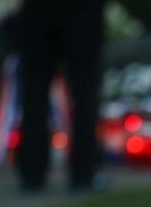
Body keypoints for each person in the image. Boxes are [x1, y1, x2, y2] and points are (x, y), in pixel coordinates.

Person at [15, 0, 106, 193]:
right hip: (80, 11)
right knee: (84, 92)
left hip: (39, 11)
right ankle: (83, 172)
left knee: (34, 92)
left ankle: (32, 172)